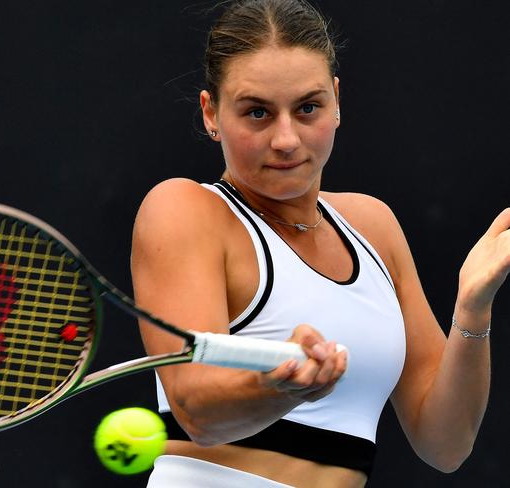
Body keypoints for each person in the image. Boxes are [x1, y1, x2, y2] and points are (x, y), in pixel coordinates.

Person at [130, 0, 509, 486]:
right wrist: (281, 385)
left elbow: (446, 443)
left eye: (307, 107)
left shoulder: (374, 225)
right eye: (257, 113)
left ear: (336, 100)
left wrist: (473, 311)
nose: (286, 139)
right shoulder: (185, 210)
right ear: (212, 114)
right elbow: (198, 414)